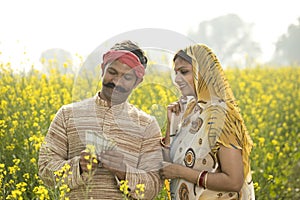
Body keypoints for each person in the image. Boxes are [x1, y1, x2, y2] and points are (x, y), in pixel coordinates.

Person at [38, 40, 163, 199]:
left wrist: (123, 170)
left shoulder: (147, 125)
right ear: (102, 70)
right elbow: (45, 168)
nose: (116, 81)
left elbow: (153, 186)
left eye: (127, 77)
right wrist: (79, 167)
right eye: (112, 72)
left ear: (137, 82)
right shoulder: (67, 115)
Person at [159, 44, 255, 199]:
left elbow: (234, 181)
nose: (177, 79)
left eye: (184, 72)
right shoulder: (191, 111)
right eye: (176, 73)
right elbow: (169, 166)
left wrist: (181, 172)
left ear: (203, 73)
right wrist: (171, 124)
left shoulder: (221, 115)